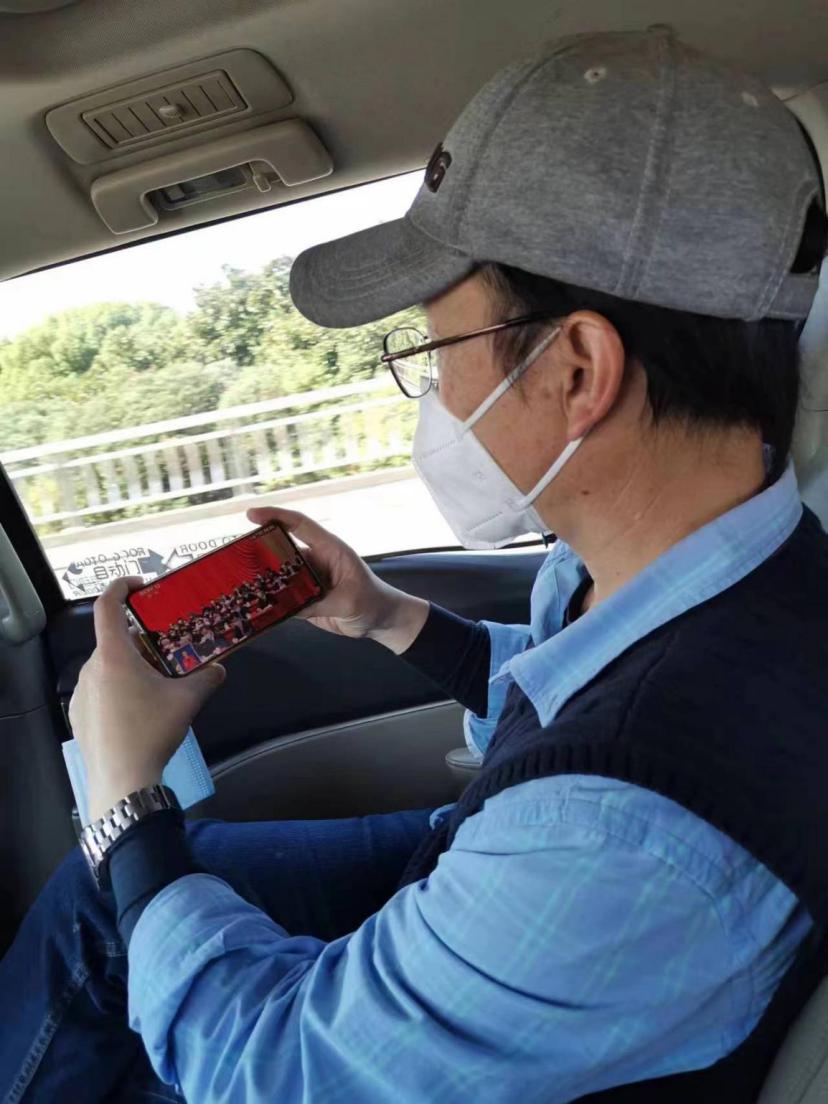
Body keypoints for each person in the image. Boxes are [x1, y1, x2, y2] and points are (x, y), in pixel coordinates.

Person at [2, 26, 828, 1104]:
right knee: (98, 910)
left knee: (119, 905)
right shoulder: (718, 575)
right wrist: (387, 616)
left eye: (436, 353)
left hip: (484, 928)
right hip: (485, 867)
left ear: (577, 369)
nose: (433, 396)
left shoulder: (619, 828)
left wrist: (124, 796)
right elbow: (566, 698)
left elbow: (271, 1071)